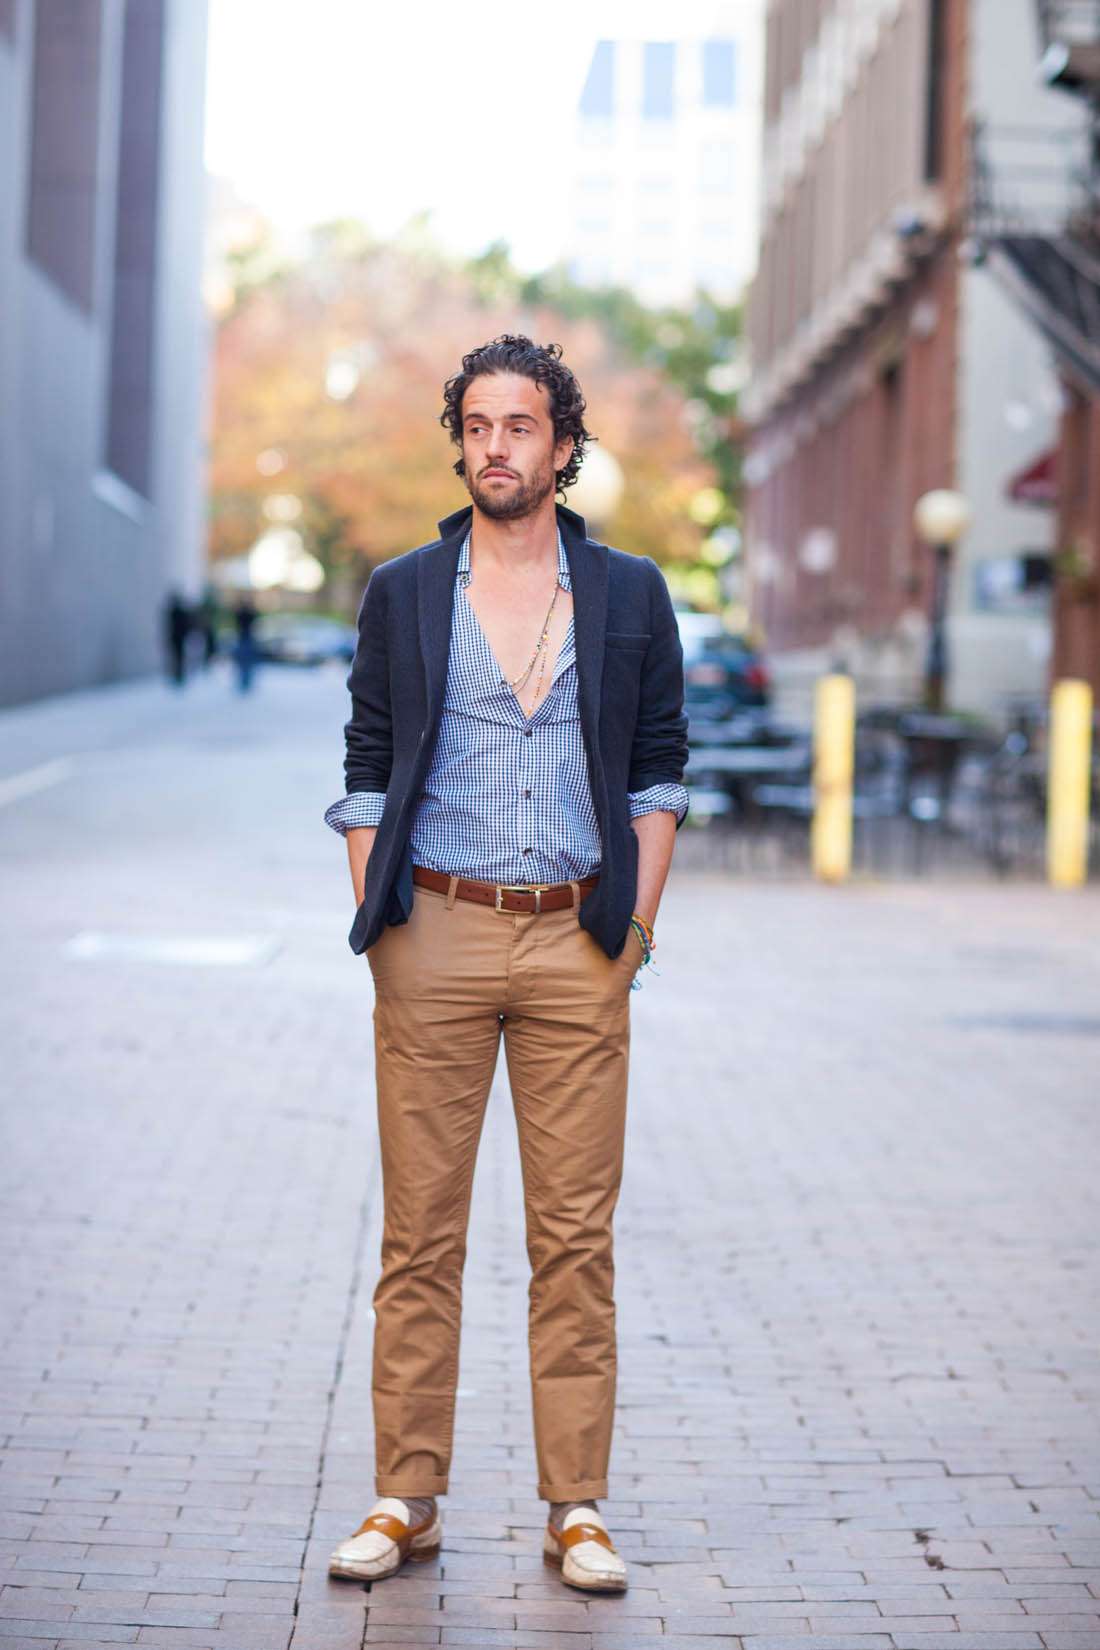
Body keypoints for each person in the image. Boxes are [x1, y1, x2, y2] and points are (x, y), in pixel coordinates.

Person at [322, 335, 688, 1595]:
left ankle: (575, 1506)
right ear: (460, 443)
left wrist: (633, 936)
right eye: (476, 425)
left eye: (519, 425)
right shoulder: (405, 590)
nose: (495, 446)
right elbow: (365, 762)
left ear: (561, 445)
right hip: (433, 930)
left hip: (578, 938)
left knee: (573, 1239)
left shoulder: (629, 593)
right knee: (419, 1235)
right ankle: (405, 1496)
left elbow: (658, 769)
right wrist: (379, 924)